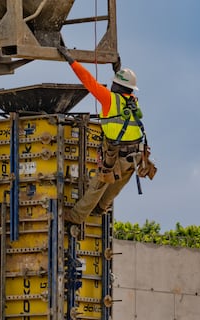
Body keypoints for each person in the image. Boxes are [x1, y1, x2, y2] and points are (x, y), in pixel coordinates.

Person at [57, 46, 157, 225]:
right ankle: (101, 207)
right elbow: (124, 86)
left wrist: (71, 61)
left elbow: (88, 80)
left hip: (116, 155)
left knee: (98, 184)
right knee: (116, 186)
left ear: (117, 85)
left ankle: (76, 217)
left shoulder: (108, 98)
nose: (110, 85)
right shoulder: (133, 101)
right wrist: (118, 69)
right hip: (135, 155)